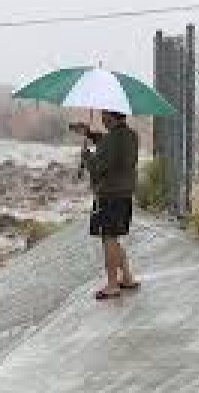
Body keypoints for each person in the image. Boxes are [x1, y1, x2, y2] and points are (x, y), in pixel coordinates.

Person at [72, 110, 141, 300]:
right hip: (124, 193)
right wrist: (90, 134)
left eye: (104, 115)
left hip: (109, 194)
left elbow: (98, 166)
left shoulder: (112, 139)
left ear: (110, 116)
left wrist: (86, 157)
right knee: (113, 236)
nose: (102, 118)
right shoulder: (130, 135)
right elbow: (110, 146)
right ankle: (126, 277)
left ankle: (112, 285)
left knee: (108, 237)